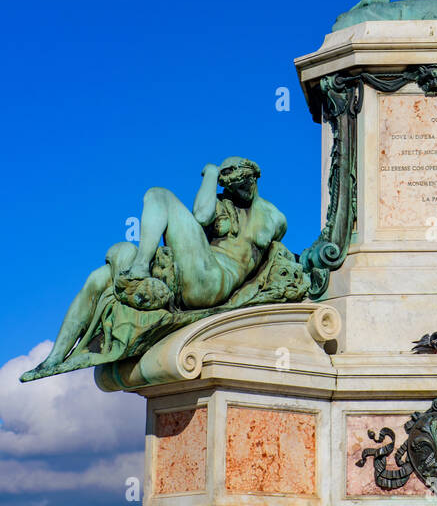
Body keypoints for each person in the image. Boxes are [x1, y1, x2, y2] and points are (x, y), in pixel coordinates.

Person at [23, 157, 287, 379]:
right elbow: (203, 214)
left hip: (214, 282)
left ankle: (139, 268)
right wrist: (209, 174)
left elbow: (273, 260)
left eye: (246, 182)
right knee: (98, 278)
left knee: (159, 194)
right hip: (192, 270)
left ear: (255, 177)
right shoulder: (218, 203)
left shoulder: (275, 217)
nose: (242, 190)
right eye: (233, 185)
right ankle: (53, 359)